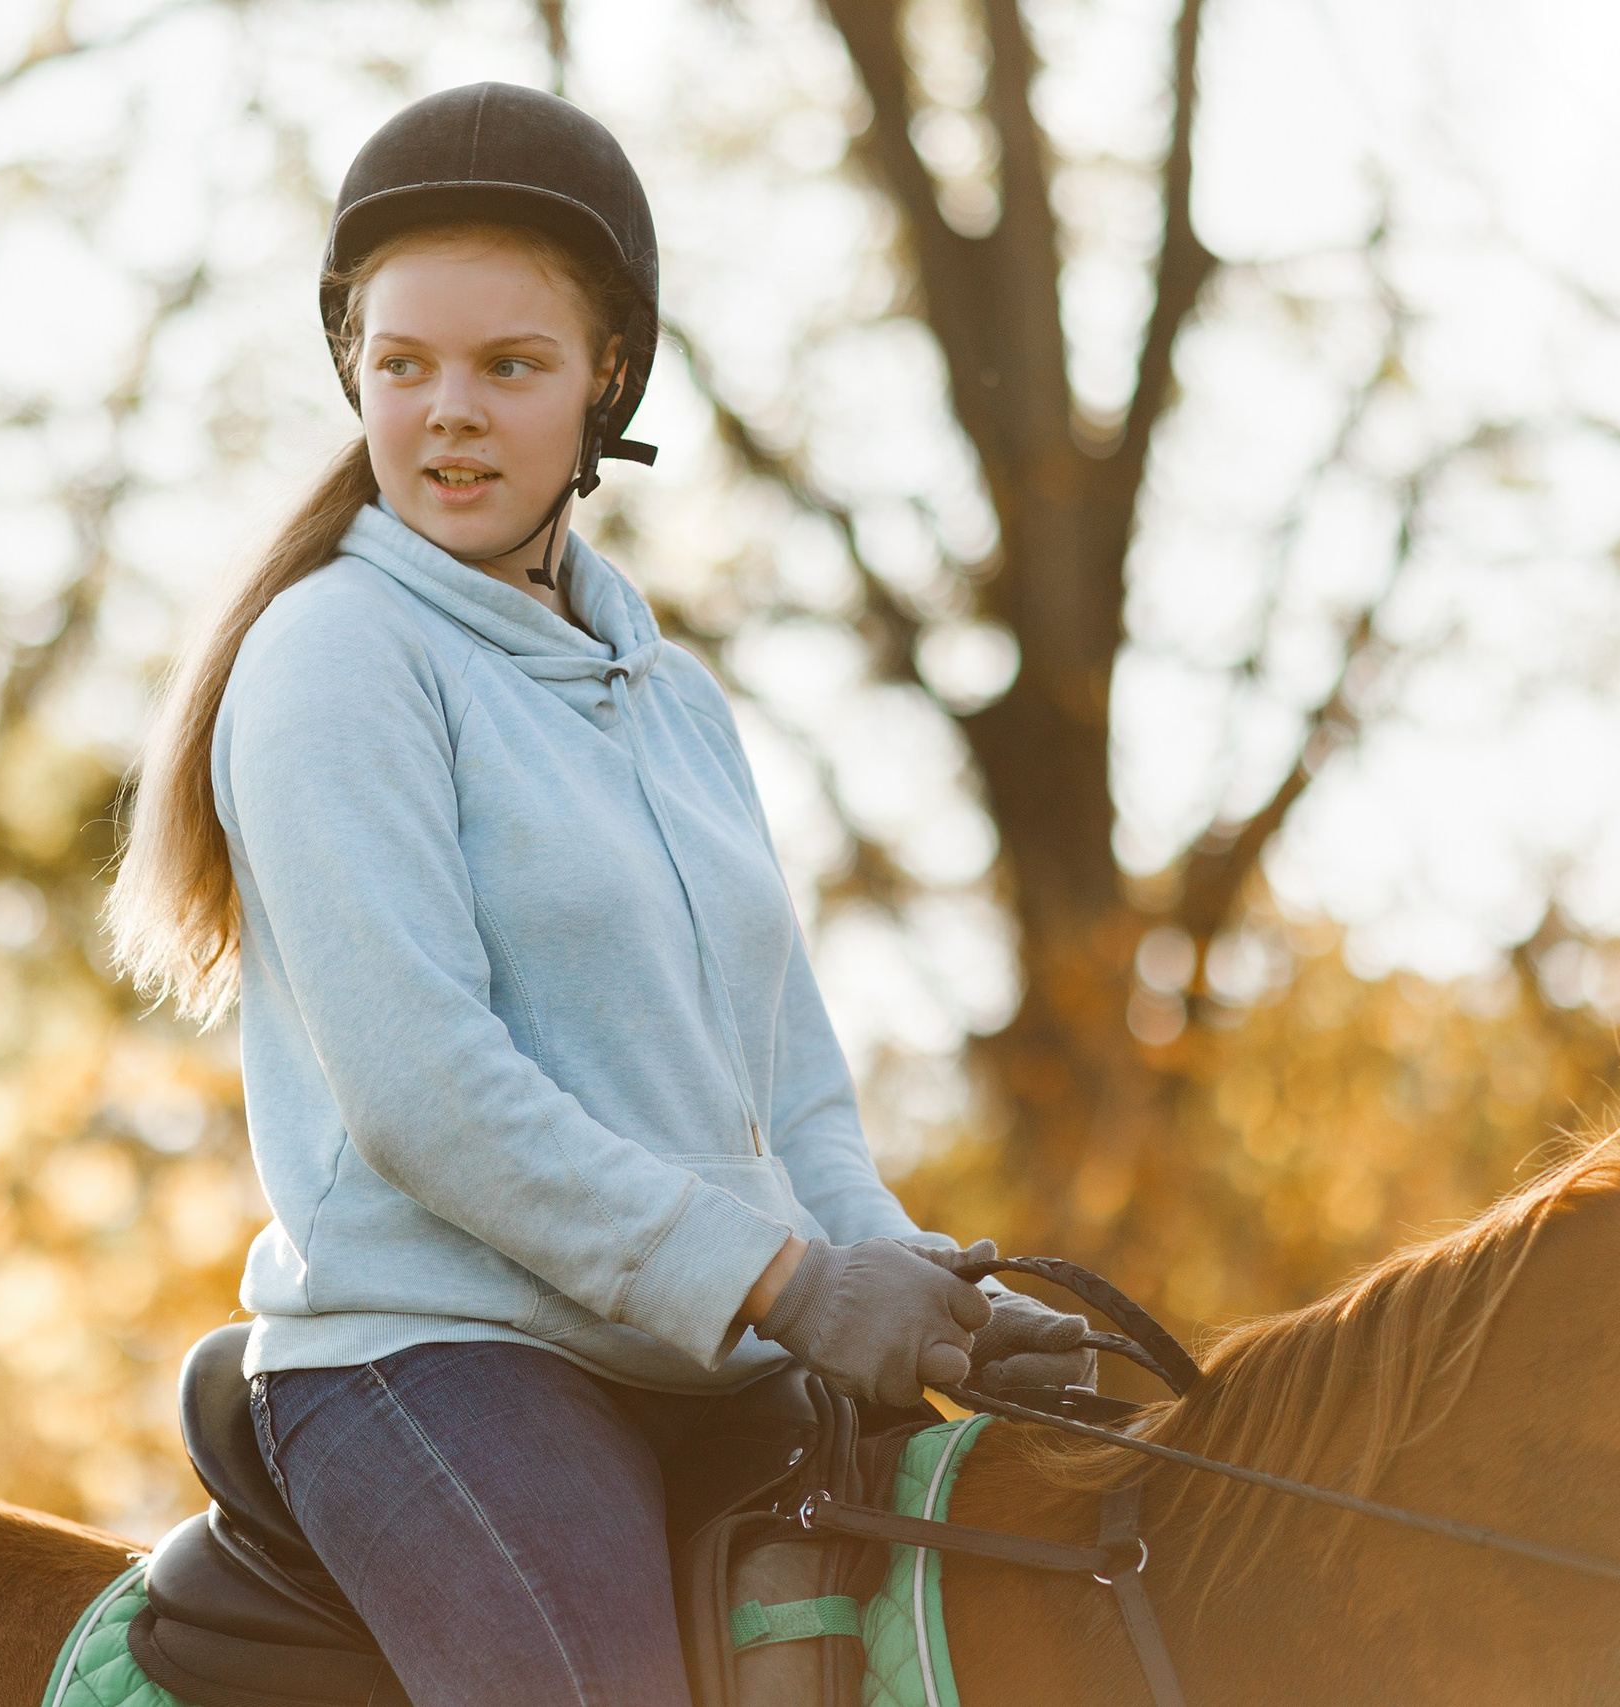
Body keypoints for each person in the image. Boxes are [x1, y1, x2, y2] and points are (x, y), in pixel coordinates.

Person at [110, 81, 1092, 1707]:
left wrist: (917, 1297)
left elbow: (791, 1098)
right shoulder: (336, 660)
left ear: (605, 383)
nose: (447, 416)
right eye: (404, 364)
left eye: (511, 366)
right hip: (438, 1364)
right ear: (354, 369)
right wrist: (786, 1286)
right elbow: (429, 1095)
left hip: (712, 1358)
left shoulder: (671, 698)